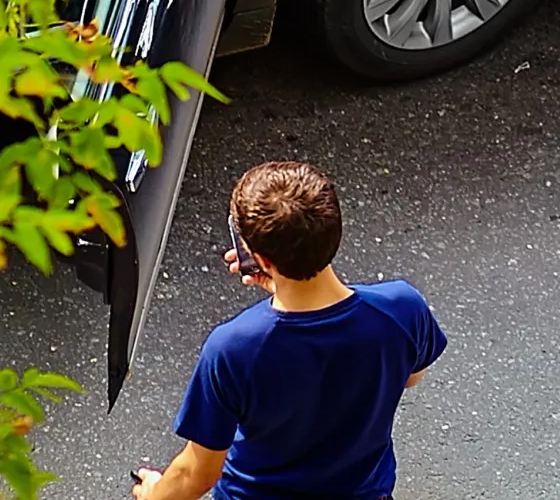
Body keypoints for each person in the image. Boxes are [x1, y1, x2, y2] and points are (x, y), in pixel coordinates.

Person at [133, 160, 446, 500]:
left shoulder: (234, 347)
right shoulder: (401, 307)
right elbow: (410, 377)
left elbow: (198, 472)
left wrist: (153, 493)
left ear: (263, 261)